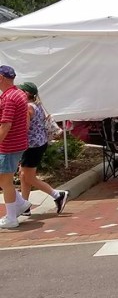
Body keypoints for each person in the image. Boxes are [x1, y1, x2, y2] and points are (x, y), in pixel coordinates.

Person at [17, 82, 68, 216]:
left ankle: (57, 195)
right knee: (23, 175)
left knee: (29, 177)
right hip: (39, 143)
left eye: (21, 90)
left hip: (32, 146)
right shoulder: (37, 105)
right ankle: (25, 206)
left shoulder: (28, 108)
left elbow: (25, 128)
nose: (19, 92)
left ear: (27, 93)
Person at [0, 65, 31, 229]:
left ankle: (11, 217)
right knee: (4, 179)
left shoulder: (8, 98)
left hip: (8, 145)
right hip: (17, 143)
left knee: (5, 181)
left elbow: (5, 125)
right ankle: (21, 204)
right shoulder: (19, 93)